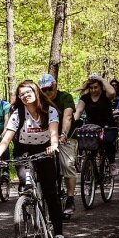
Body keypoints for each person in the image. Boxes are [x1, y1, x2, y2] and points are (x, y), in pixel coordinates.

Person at [0, 81, 67, 238]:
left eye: (28, 92)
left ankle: (59, 236)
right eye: (21, 94)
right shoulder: (18, 114)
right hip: (23, 150)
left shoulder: (50, 111)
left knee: (50, 193)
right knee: (26, 180)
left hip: (45, 149)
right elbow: (6, 139)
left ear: (36, 92)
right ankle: (29, 205)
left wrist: (53, 146)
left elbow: (54, 133)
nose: (25, 95)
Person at [39, 74, 77, 217]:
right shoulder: (41, 101)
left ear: (55, 86)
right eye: (44, 90)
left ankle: (70, 198)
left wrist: (64, 134)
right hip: (46, 137)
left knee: (67, 165)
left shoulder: (65, 97)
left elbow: (67, 116)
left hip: (65, 137)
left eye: (49, 89)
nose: (47, 93)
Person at [73, 73, 118, 175]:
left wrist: (100, 79)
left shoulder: (105, 96)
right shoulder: (85, 98)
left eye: (96, 87)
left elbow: (112, 92)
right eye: (91, 88)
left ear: (101, 87)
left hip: (108, 127)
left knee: (107, 142)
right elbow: (79, 111)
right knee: (87, 146)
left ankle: (111, 163)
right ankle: (91, 168)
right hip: (92, 128)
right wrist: (73, 122)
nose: (94, 90)